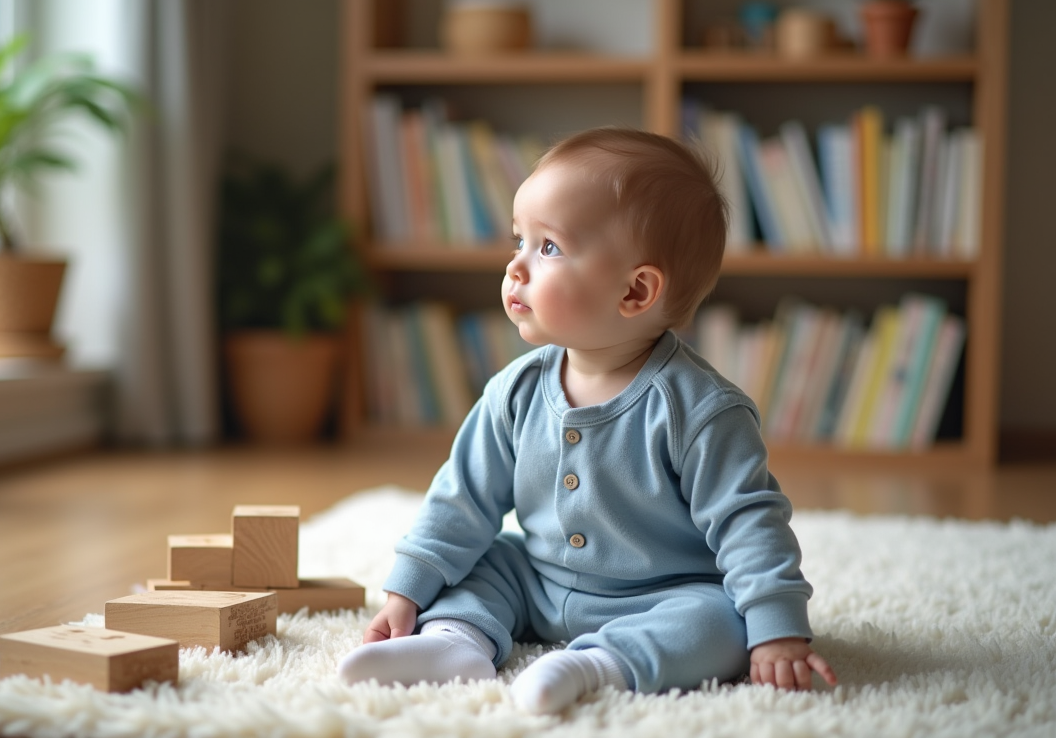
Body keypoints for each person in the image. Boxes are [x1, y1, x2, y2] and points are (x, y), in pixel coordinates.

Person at [338, 127, 837, 714]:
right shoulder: (516, 391)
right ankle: (456, 642)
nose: (516, 267)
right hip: (540, 583)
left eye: (547, 248)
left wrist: (777, 629)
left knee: (721, 619)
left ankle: (600, 665)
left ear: (636, 290)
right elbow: (461, 498)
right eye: (518, 240)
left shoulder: (699, 411)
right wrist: (408, 590)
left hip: (663, 596)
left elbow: (749, 523)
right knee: (489, 557)